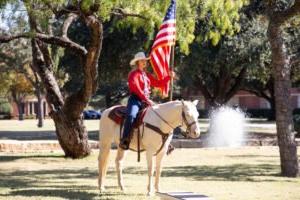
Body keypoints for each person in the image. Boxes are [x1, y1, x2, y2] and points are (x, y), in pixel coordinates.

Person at [119, 52, 174, 150]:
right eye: (142, 60)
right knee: (131, 115)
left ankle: (165, 142)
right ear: (137, 62)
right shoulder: (133, 74)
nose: (144, 62)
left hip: (146, 101)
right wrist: (146, 99)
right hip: (135, 100)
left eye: (145, 60)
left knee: (159, 115)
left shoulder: (146, 75)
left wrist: (169, 77)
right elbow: (136, 88)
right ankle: (125, 139)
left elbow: (158, 83)